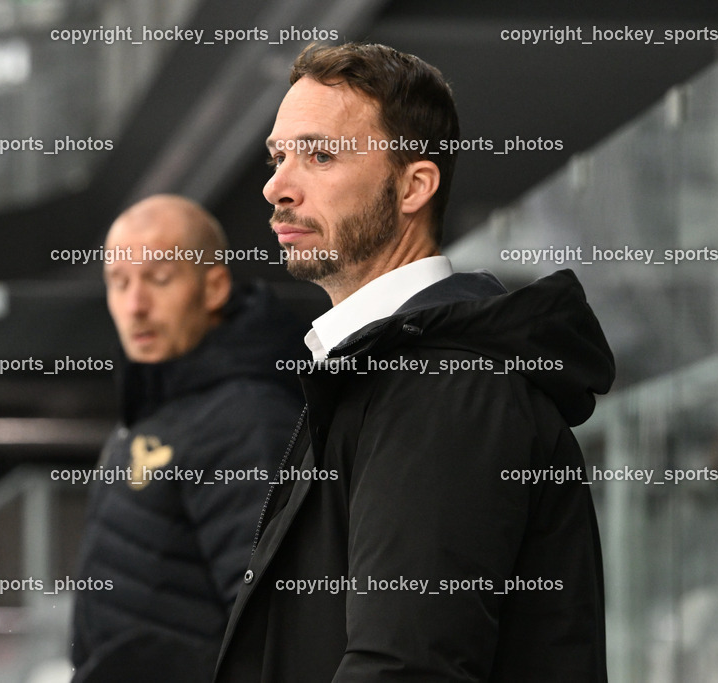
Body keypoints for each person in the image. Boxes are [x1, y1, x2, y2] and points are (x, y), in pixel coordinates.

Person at [214, 43, 614, 681]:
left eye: (319, 155)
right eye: (278, 155)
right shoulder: (386, 373)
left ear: (413, 186)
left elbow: (407, 666)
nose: (276, 187)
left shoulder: (443, 388)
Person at [70, 195, 304, 681]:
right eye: (119, 283)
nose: (135, 306)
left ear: (214, 286)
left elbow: (273, 635)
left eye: (158, 279)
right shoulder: (157, 396)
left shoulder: (248, 418)